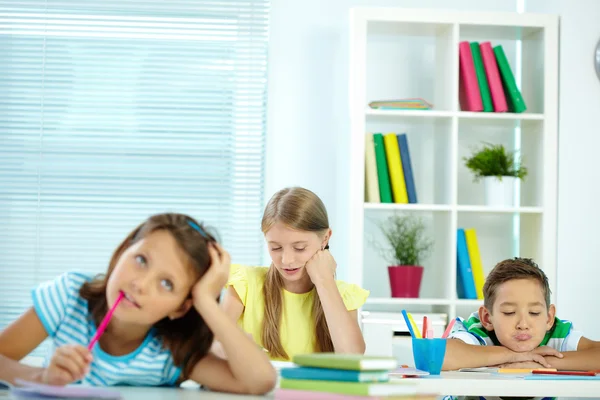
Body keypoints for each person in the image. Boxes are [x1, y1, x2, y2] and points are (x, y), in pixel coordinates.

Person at [0, 213, 276, 394]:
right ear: (122, 251)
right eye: (141, 260)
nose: (140, 284)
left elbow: (260, 380)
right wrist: (43, 378)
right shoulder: (69, 297)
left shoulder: (172, 354)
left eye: (166, 283)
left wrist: (206, 301)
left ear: (181, 307)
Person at [214, 187, 369, 361]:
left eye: (299, 248)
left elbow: (352, 357)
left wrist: (324, 281)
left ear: (325, 239)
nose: (286, 260)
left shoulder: (342, 295)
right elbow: (212, 345)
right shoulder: (246, 285)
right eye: (275, 247)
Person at [444, 257, 600, 373]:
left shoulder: (557, 334)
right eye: (509, 313)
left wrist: (543, 362)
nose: (523, 324)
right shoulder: (478, 332)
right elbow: (441, 356)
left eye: (534, 313)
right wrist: (513, 356)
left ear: (549, 317)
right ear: (487, 318)